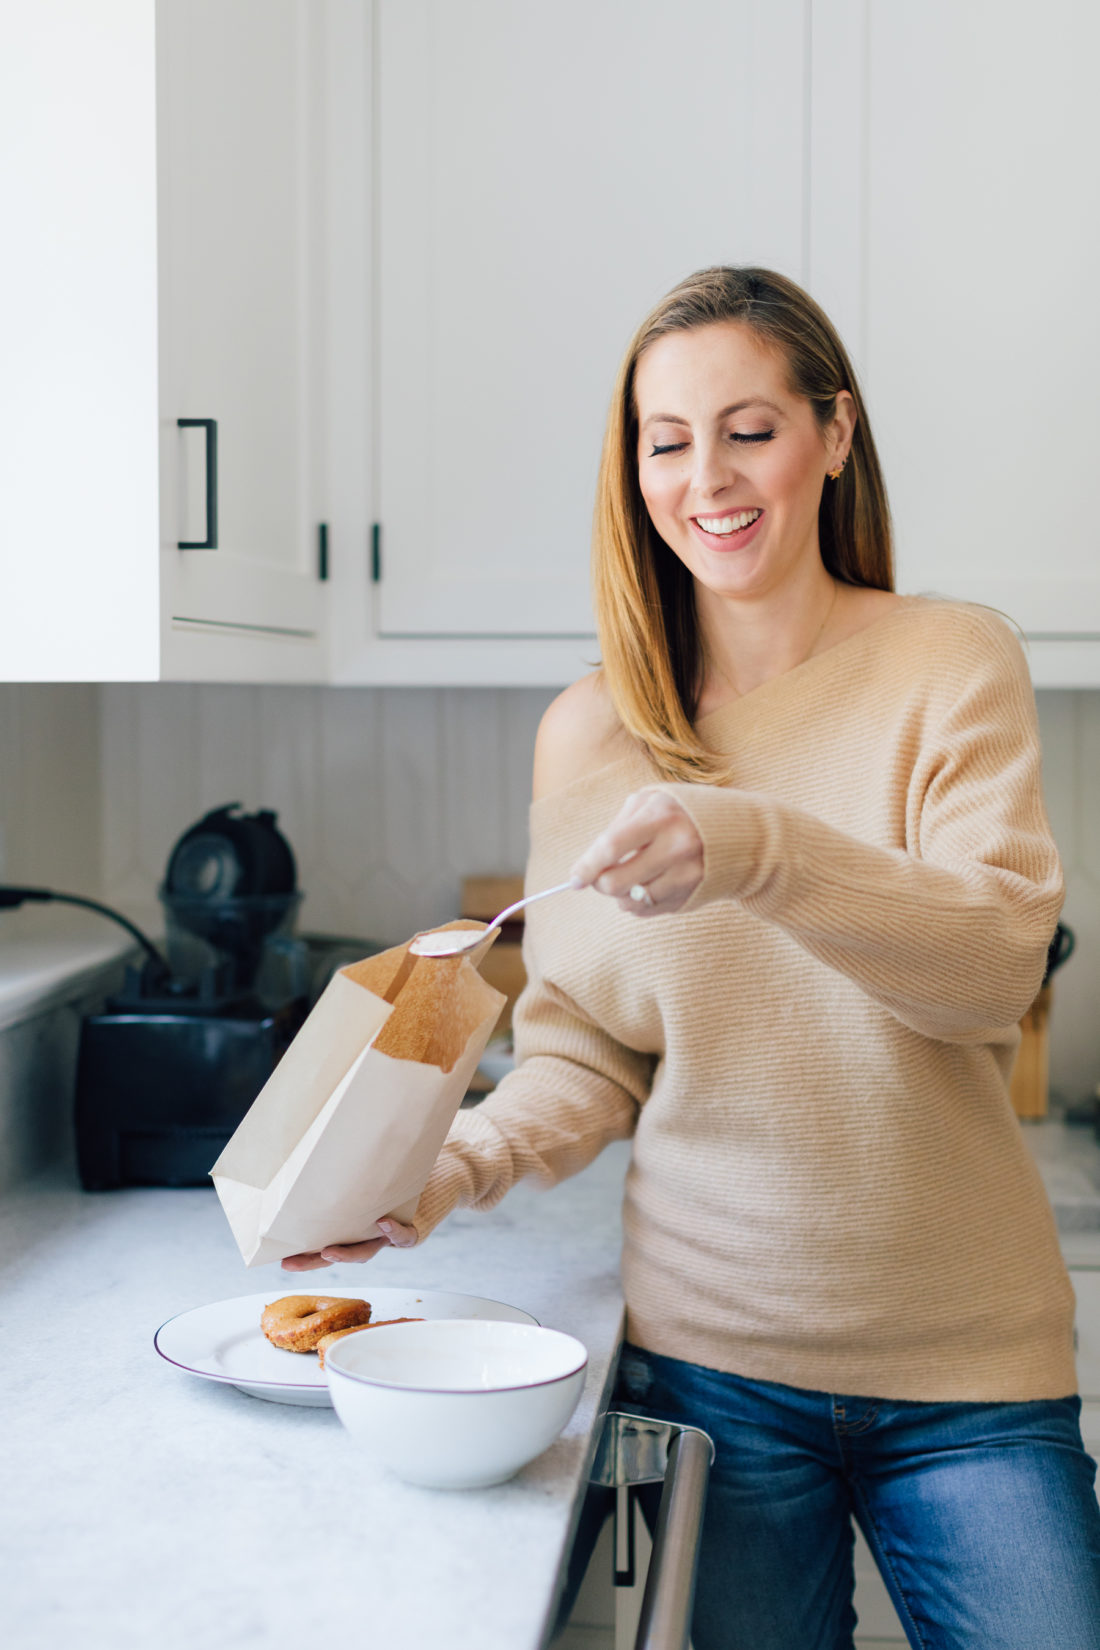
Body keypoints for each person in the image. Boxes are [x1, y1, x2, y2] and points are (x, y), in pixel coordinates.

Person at [283, 266, 1100, 1648]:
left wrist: (761, 847)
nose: (705, 476)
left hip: (970, 1373)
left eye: (749, 429)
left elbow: (987, 971)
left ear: (833, 434)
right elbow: (587, 1047)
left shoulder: (951, 663)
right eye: (667, 440)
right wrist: (450, 1167)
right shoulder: (595, 730)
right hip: (708, 1378)